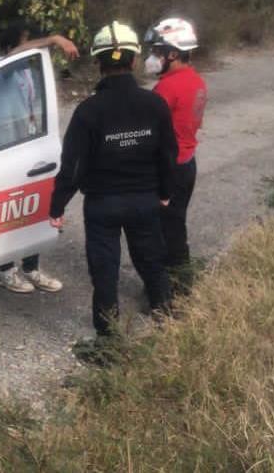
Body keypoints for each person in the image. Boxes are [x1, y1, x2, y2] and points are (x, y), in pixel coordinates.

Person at [48, 21, 177, 362]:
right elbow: (168, 154)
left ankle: (109, 345)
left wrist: (57, 205)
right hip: (145, 200)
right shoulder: (155, 105)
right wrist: (165, 192)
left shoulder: (89, 111)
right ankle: (169, 324)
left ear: (98, 63)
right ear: (134, 61)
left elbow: (73, 166)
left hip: (103, 205)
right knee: (152, 261)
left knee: (105, 272)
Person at [0, 20, 79, 293]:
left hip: (26, 144)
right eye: (25, 40)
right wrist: (53, 39)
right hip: (2, 147)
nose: (29, 46)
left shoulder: (27, 72)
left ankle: (31, 267)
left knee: (33, 204)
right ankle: (5, 270)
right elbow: (16, 54)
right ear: (12, 43)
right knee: (8, 207)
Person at [143, 18, 207, 294]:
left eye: (158, 52)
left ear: (173, 54)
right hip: (187, 163)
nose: (153, 58)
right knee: (175, 226)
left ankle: (166, 291)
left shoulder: (167, 88)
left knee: (160, 232)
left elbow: (149, 130)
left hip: (168, 168)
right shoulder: (196, 81)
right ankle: (182, 283)